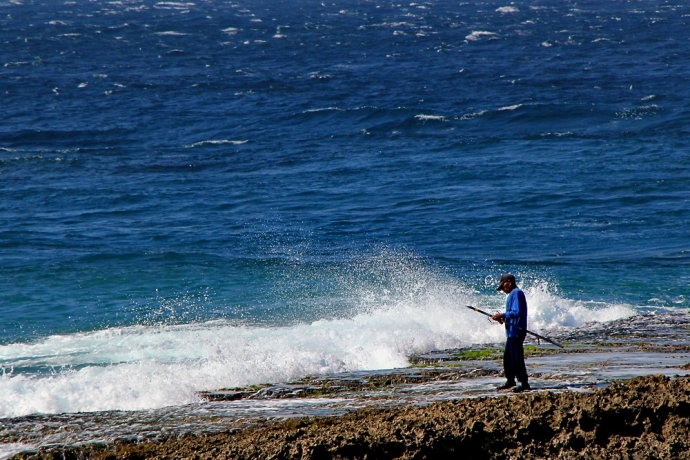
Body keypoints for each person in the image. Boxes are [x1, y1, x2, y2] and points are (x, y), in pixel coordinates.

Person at [492, 273, 530, 392]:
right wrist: (502, 318)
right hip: (511, 332)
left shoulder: (517, 293)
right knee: (508, 358)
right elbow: (512, 315)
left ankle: (524, 383)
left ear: (508, 283)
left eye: (503, 286)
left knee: (517, 358)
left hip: (517, 331)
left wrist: (502, 315)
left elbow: (517, 312)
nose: (503, 290)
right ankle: (510, 381)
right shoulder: (512, 295)